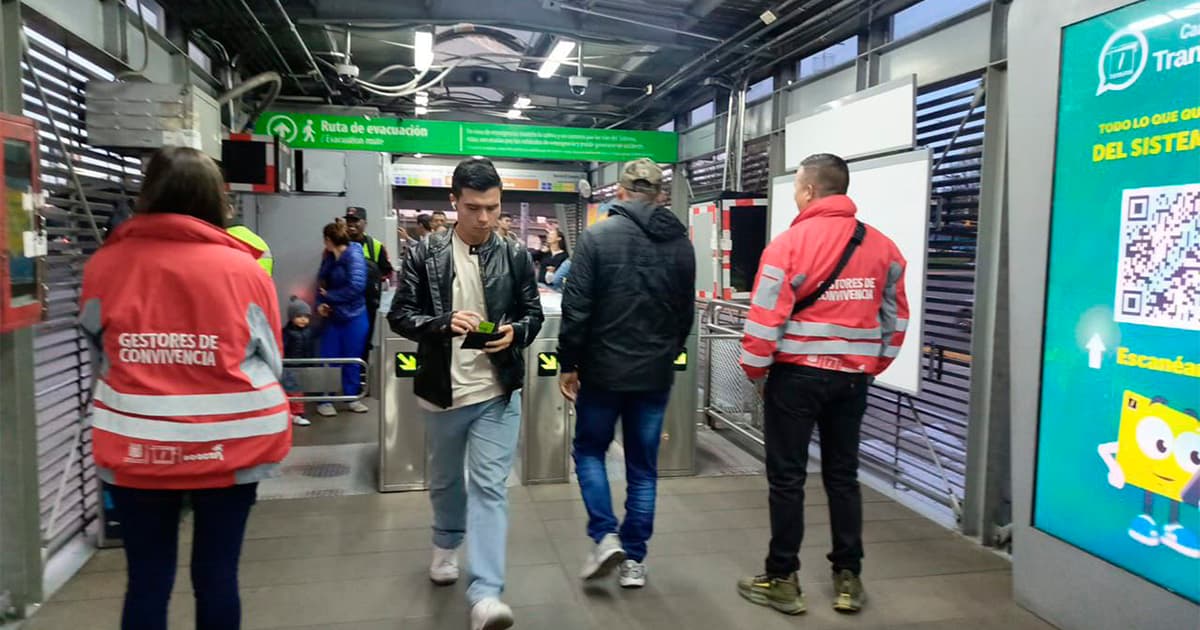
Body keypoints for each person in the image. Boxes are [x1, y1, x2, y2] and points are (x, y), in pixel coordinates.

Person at [79, 146, 289, 630]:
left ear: (147, 193)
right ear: (218, 201)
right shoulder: (245, 270)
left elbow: (97, 344)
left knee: (147, 580)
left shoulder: (105, 267)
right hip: (231, 447)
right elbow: (271, 359)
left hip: (138, 448)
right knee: (218, 576)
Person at [736, 153, 909, 616]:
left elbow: (765, 317)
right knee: (842, 476)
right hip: (851, 379)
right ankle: (848, 577)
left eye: (796, 187)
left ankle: (782, 578)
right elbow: (896, 317)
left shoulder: (788, 245)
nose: (796, 195)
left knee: (787, 477)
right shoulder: (883, 246)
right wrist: (874, 364)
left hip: (796, 377)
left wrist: (755, 371)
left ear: (809, 190)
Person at [388, 157, 543, 630]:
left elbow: (532, 314)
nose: (484, 218)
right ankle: (445, 541)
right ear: (453, 202)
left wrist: (515, 332)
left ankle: (487, 595)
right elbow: (400, 315)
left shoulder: (515, 255)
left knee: (491, 487)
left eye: (492, 208)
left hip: (497, 390)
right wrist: (440, 323)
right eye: (473, 207)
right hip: (442, 392)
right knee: (446, 480)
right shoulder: (423, 253)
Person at [557, 158, 695, 588]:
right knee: (643, 467)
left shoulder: (597, 237)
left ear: (619, 192)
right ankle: (634, 561)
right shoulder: (681, 243)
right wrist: (665, 353)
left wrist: (569, 364)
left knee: (589, 452)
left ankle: (605, 535)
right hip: (654, 375)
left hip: (602, 373)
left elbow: (576, 308)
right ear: (658, 196)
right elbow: (684, 314)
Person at [315, 221, 371, 417]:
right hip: (335, 316)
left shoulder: (354, 256)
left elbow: (356, 287)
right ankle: (325, 399)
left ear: (329, 240)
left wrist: (329, 297)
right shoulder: (329, 258)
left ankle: (351, 396)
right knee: (328, 358)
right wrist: (320, 303)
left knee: (352, 358)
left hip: (354, 316)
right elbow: (321, 283)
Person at [344, 206, 394, 365]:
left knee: (364, 340)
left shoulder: (375, 246)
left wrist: (372, 280)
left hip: (368, 305)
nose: (351, 224)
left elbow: (387, 271)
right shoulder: (339, 243)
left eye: (355, 221)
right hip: (344, 304)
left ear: (364, 223)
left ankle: (361, 375)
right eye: (348, 221)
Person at [283, 296, 318, 426]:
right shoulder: (287, 333)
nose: (303, 319)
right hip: (290, 367)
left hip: (303, 366)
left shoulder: (309, 331)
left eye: (306, 316)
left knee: (298, 392)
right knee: (293, 392)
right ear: (292, 317)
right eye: (299, 316)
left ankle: (294, 413)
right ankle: (297, 414)